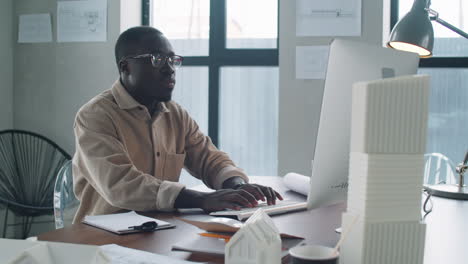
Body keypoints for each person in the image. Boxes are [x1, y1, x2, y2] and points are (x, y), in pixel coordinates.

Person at [72, 26, 283, 222]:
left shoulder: (175, 114)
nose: (169, 69)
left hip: (159, 227)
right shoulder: (95, 116)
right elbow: (121, 185)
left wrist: (239, 188)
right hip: (102, 236)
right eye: (157, 59)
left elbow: (209, 159)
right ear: (126, 67)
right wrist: (202, 200)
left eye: (172, 60)